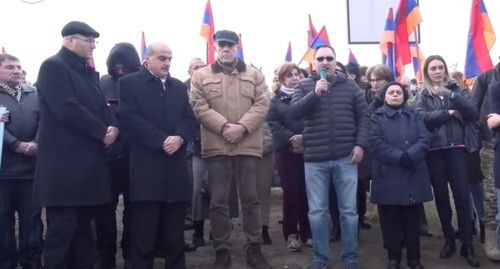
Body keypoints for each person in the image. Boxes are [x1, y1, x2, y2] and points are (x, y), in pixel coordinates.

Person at [33, 21, 118, 269]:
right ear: (69, 40)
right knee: (62, 233)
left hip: (88, 170)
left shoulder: (87, 72)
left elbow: (103, 107)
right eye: (88, 40)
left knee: (84, 234)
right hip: (64, 171)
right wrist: (102, 132)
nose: (93, 45)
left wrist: (114, 127)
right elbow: (67, 108)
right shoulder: (53, 67)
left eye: (95, 41)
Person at [190, 30, 271, 269]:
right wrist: (225, 126)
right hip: (217, 147)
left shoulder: (255, 74)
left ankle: (254, 248)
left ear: (237, 47)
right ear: (215, 48)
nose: (226, 49)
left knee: (251, 199)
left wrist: (242, 128)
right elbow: (199, 106)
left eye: (230, 45)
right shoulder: (200, 76)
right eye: (221, 45)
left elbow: (262, 104)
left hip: (248, 146)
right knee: (218, 201)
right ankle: (222, 250)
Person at [118, 42, 197, 269]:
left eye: (170, 58)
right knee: (144, 232)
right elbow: (130, 118)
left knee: (174, 234)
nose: (167, 63)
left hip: (175, 168)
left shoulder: (178, 88)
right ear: (147, 59)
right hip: (146, 168)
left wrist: (180, 138)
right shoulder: (129, 83)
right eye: (162, 58)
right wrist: (161, 141)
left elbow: (189, 120)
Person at [290, 44, 369, 269]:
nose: (325, 62)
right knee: (316, 212)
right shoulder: (305, 85)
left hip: (346, 158)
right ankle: (320, 258)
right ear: (314, 63)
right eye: (321, 58)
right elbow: (294, 112)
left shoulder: (351, 87)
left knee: (349, 212)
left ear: (336, 62)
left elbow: (365, 117)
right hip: (315, 159)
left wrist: (360, 145)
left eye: (330, 58)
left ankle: (350, 257)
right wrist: (315, 94)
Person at [413, 55, 480, 267]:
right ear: (427, 72)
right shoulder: (422, 94)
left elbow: (472, 112)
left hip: (458, 150)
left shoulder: (456, 89)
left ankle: (467, 245)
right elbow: (420, 117)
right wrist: (448, 112)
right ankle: (449, 239)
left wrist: (452, 96)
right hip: (434, 151)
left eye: (441, 67)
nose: (438, 71)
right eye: (433, 68)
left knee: (462, 197)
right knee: (441, 198)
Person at [369, 82, 433, 269]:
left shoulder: (415, 115)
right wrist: (399, 157)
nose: (395, 95)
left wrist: (410, 155)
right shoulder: (376, 117)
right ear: (385, 96)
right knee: (390, 220)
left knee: (412, 220)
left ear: (404, 96)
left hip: (412, 173)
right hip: (387, 175)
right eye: (391, 92)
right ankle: (394, 258)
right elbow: (375, 142)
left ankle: (414, 258)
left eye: (398, 92)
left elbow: (424, 138)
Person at [95, 42, 141, 268]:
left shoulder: (142, 83)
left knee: (133, 209)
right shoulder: (102, 82)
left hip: (135, 156)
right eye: (116, 68)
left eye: (125, 68)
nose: (120, 72)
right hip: (107, 156)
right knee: (105, 210)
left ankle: (130, 252)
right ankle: (106, 255)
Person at [0, 53, 43, 269]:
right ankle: (6, 262)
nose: (16, 70)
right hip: (3, 173)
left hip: (31, 171)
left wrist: (35, 143)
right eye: (10, 67)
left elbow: (45, 122)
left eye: (18, 67)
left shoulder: (34, 94)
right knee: (2, 221)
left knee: (32, 220)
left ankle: (32, 260)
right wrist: (16, 144)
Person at [267, 62, 312, 252]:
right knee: (291, 193)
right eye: (290, 75)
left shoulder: (308, 98)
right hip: (285, 153)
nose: (295, 78)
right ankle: (291, 233)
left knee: (307, 193)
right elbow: (272, 123)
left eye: (297, 74)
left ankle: (307, 233)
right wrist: (291, 139)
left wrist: (304, 138)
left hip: (309, 150)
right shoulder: (276, 101)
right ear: (282, 79)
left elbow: (315, 120)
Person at [472, 58, 500, 261]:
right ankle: (491, 237)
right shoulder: (486, 78)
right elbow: (473, 110)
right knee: (491, 195)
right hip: (491, 145)